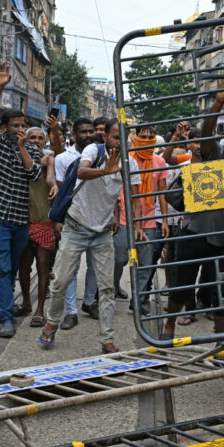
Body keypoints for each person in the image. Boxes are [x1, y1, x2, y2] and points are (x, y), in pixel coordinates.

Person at [159, 81, 224, 337]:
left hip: (220, 239)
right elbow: (206, 132)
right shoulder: (215, 154)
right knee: (180, 287)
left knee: (221, 292)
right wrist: (218, 102)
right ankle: (169, 326)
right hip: (191, 231)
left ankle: (222, 343)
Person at [41, 119, 142, 353]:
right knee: (61, 281)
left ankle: (107, 337)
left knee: (106, 289)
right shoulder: (92, 151)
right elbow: (81, 171)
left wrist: (136, 225)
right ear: (105, 137)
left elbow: (134, 196)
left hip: (103, 232)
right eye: (117, 137)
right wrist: (104, 171)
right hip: (75, 227)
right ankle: (52, 321)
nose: (121, 142)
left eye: (125, 137)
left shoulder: (131, 163)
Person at [0, 63, 43, 338]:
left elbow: (32, 174)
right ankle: (7, 318)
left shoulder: (32, 149)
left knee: (13, 266)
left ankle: (0, 306)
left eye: (23, 126)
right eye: (15, 126)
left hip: (20, 220)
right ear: (5, 128)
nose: (20, 129)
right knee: (4, 268)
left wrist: (22, 148)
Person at [48, 116, 100, 327]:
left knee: (95, 266)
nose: (88, 135)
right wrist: (58, 220)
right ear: (74, 135)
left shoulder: (102, 155)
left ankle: (89, 301)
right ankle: (70, 311)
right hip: (73, 220)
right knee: (69, 268)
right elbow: (61, 191)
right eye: (83, 132)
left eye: (91, 131)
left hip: (98, 219)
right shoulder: (64, 159)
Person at [121, 125, 169, 312]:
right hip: (126, 218)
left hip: (149, 220)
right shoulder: (126, 159)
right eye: (143, 136)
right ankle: (116, 287)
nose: (147, 140)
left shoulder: (159, 161)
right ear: (136, 137)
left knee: (146, 264)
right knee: (118, 258)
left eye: (151, 137)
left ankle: (137, 300)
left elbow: (162, 194)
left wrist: (164, 220)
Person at [19, 127, 58, 327]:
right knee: (24, 268)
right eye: (31, 137)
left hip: (43, 219)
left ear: (45, 141)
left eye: (39, 138)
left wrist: (53, 185)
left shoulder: (47, 159)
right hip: (22, 219)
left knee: (43, 268)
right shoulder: (18, 158)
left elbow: (50, 177)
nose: (35, 141)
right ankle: (26, 302)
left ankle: (40, 309)